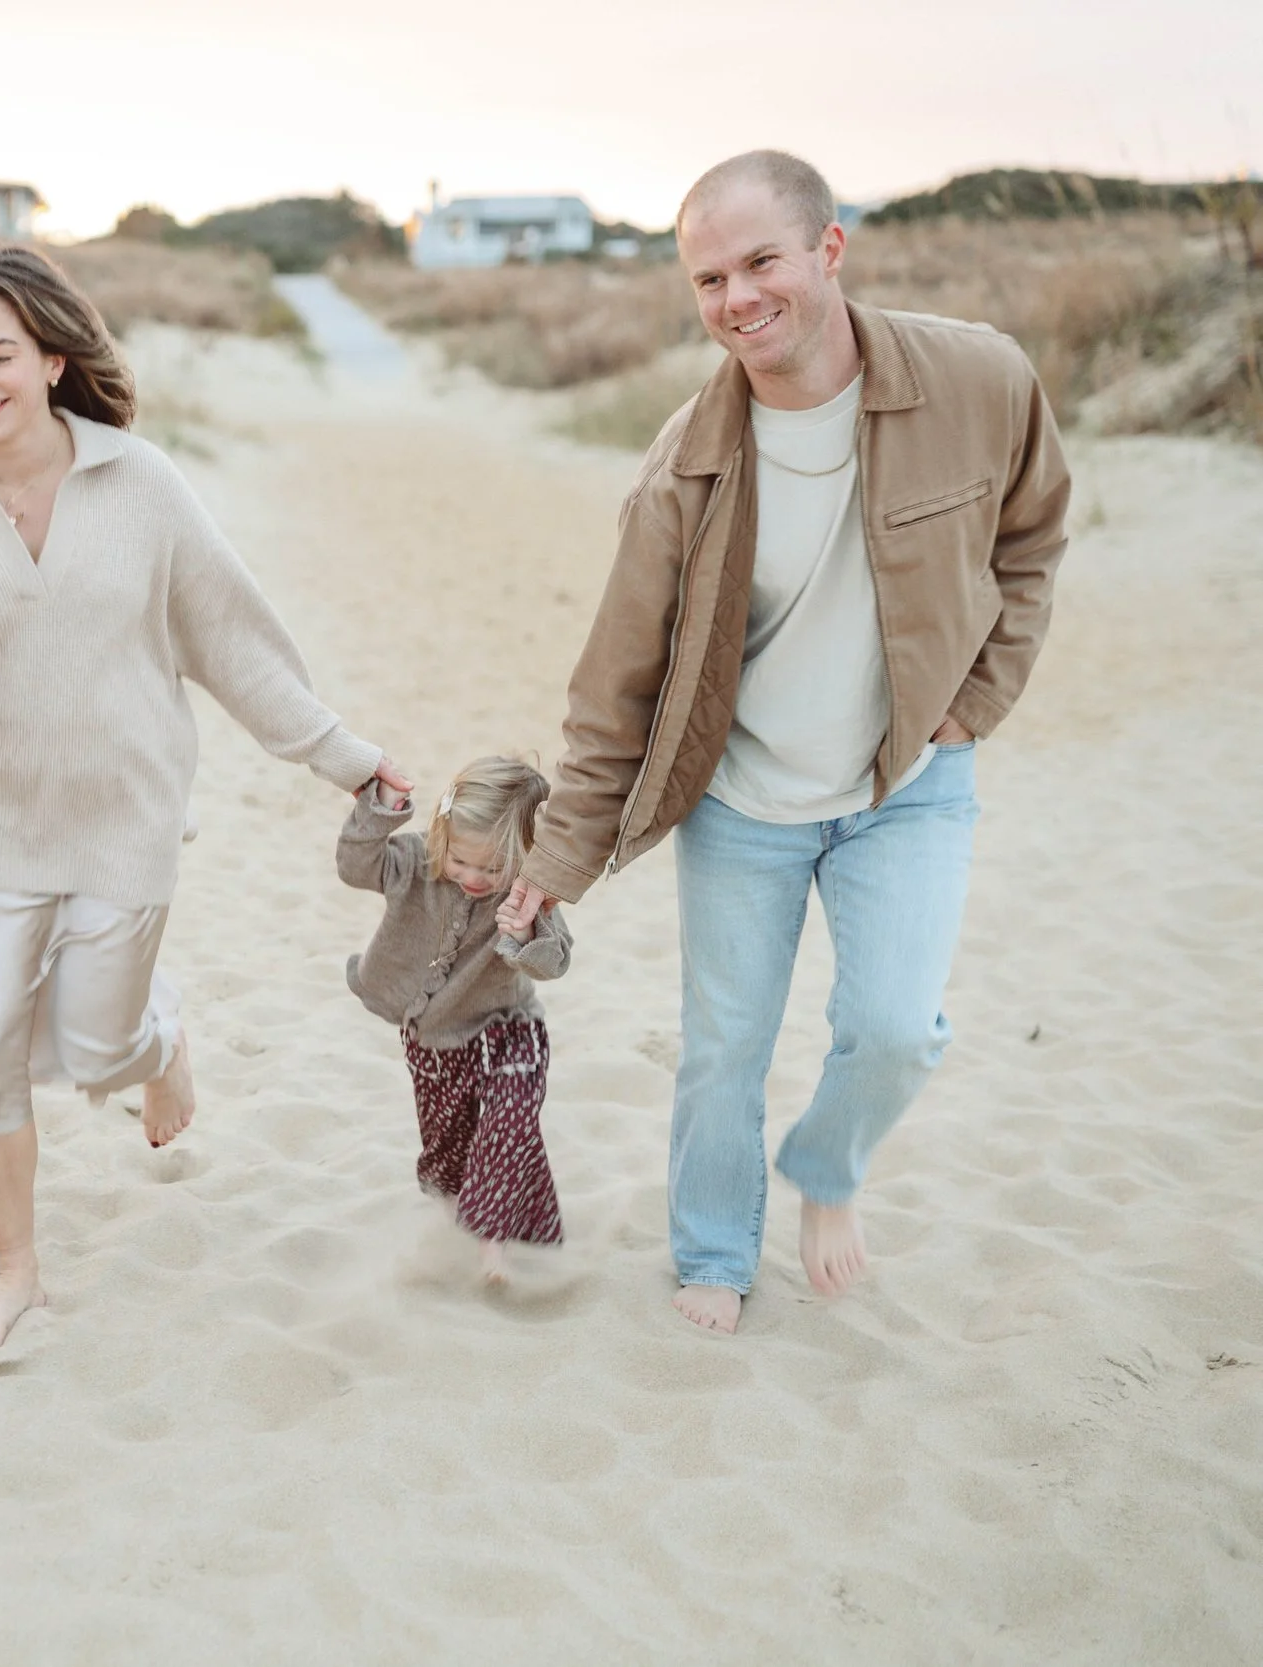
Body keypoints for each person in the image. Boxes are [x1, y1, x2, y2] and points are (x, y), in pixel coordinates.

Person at [498, 150, 1071, 1333]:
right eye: (708, 279)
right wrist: (556, 859)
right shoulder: (685, 462)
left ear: (829, 249)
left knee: (896, 1029)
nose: (737, 300)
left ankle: (823, 1167)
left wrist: (980, 697)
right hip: (742, 801)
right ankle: (712, 1247)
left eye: (760, 261)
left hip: (905, 783)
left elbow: (1032, 534)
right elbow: (616, 683)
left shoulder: (978, 378)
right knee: (723, 1049)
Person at [0, 247, 409, 1350]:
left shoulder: (139, 484)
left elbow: (233, 639)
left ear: (52, 359)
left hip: (120, 814)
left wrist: (341, 754)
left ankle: (157, 1038)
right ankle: (16, 1268)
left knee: (96, 1048)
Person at [340, 757, 572, 1286]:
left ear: (523, 855)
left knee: (508, 1126)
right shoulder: (416, 862)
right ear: (442, 835)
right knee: (448, 1150)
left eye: (492, 869)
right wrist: (380, 813)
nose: (473, 878)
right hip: (434, 1039)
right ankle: (458, 1223)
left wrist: (525, 932)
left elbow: (555, 961)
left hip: (507, 1031)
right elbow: (355, 867)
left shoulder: (528, 891)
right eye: (462, 861)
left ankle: (494, 1246)